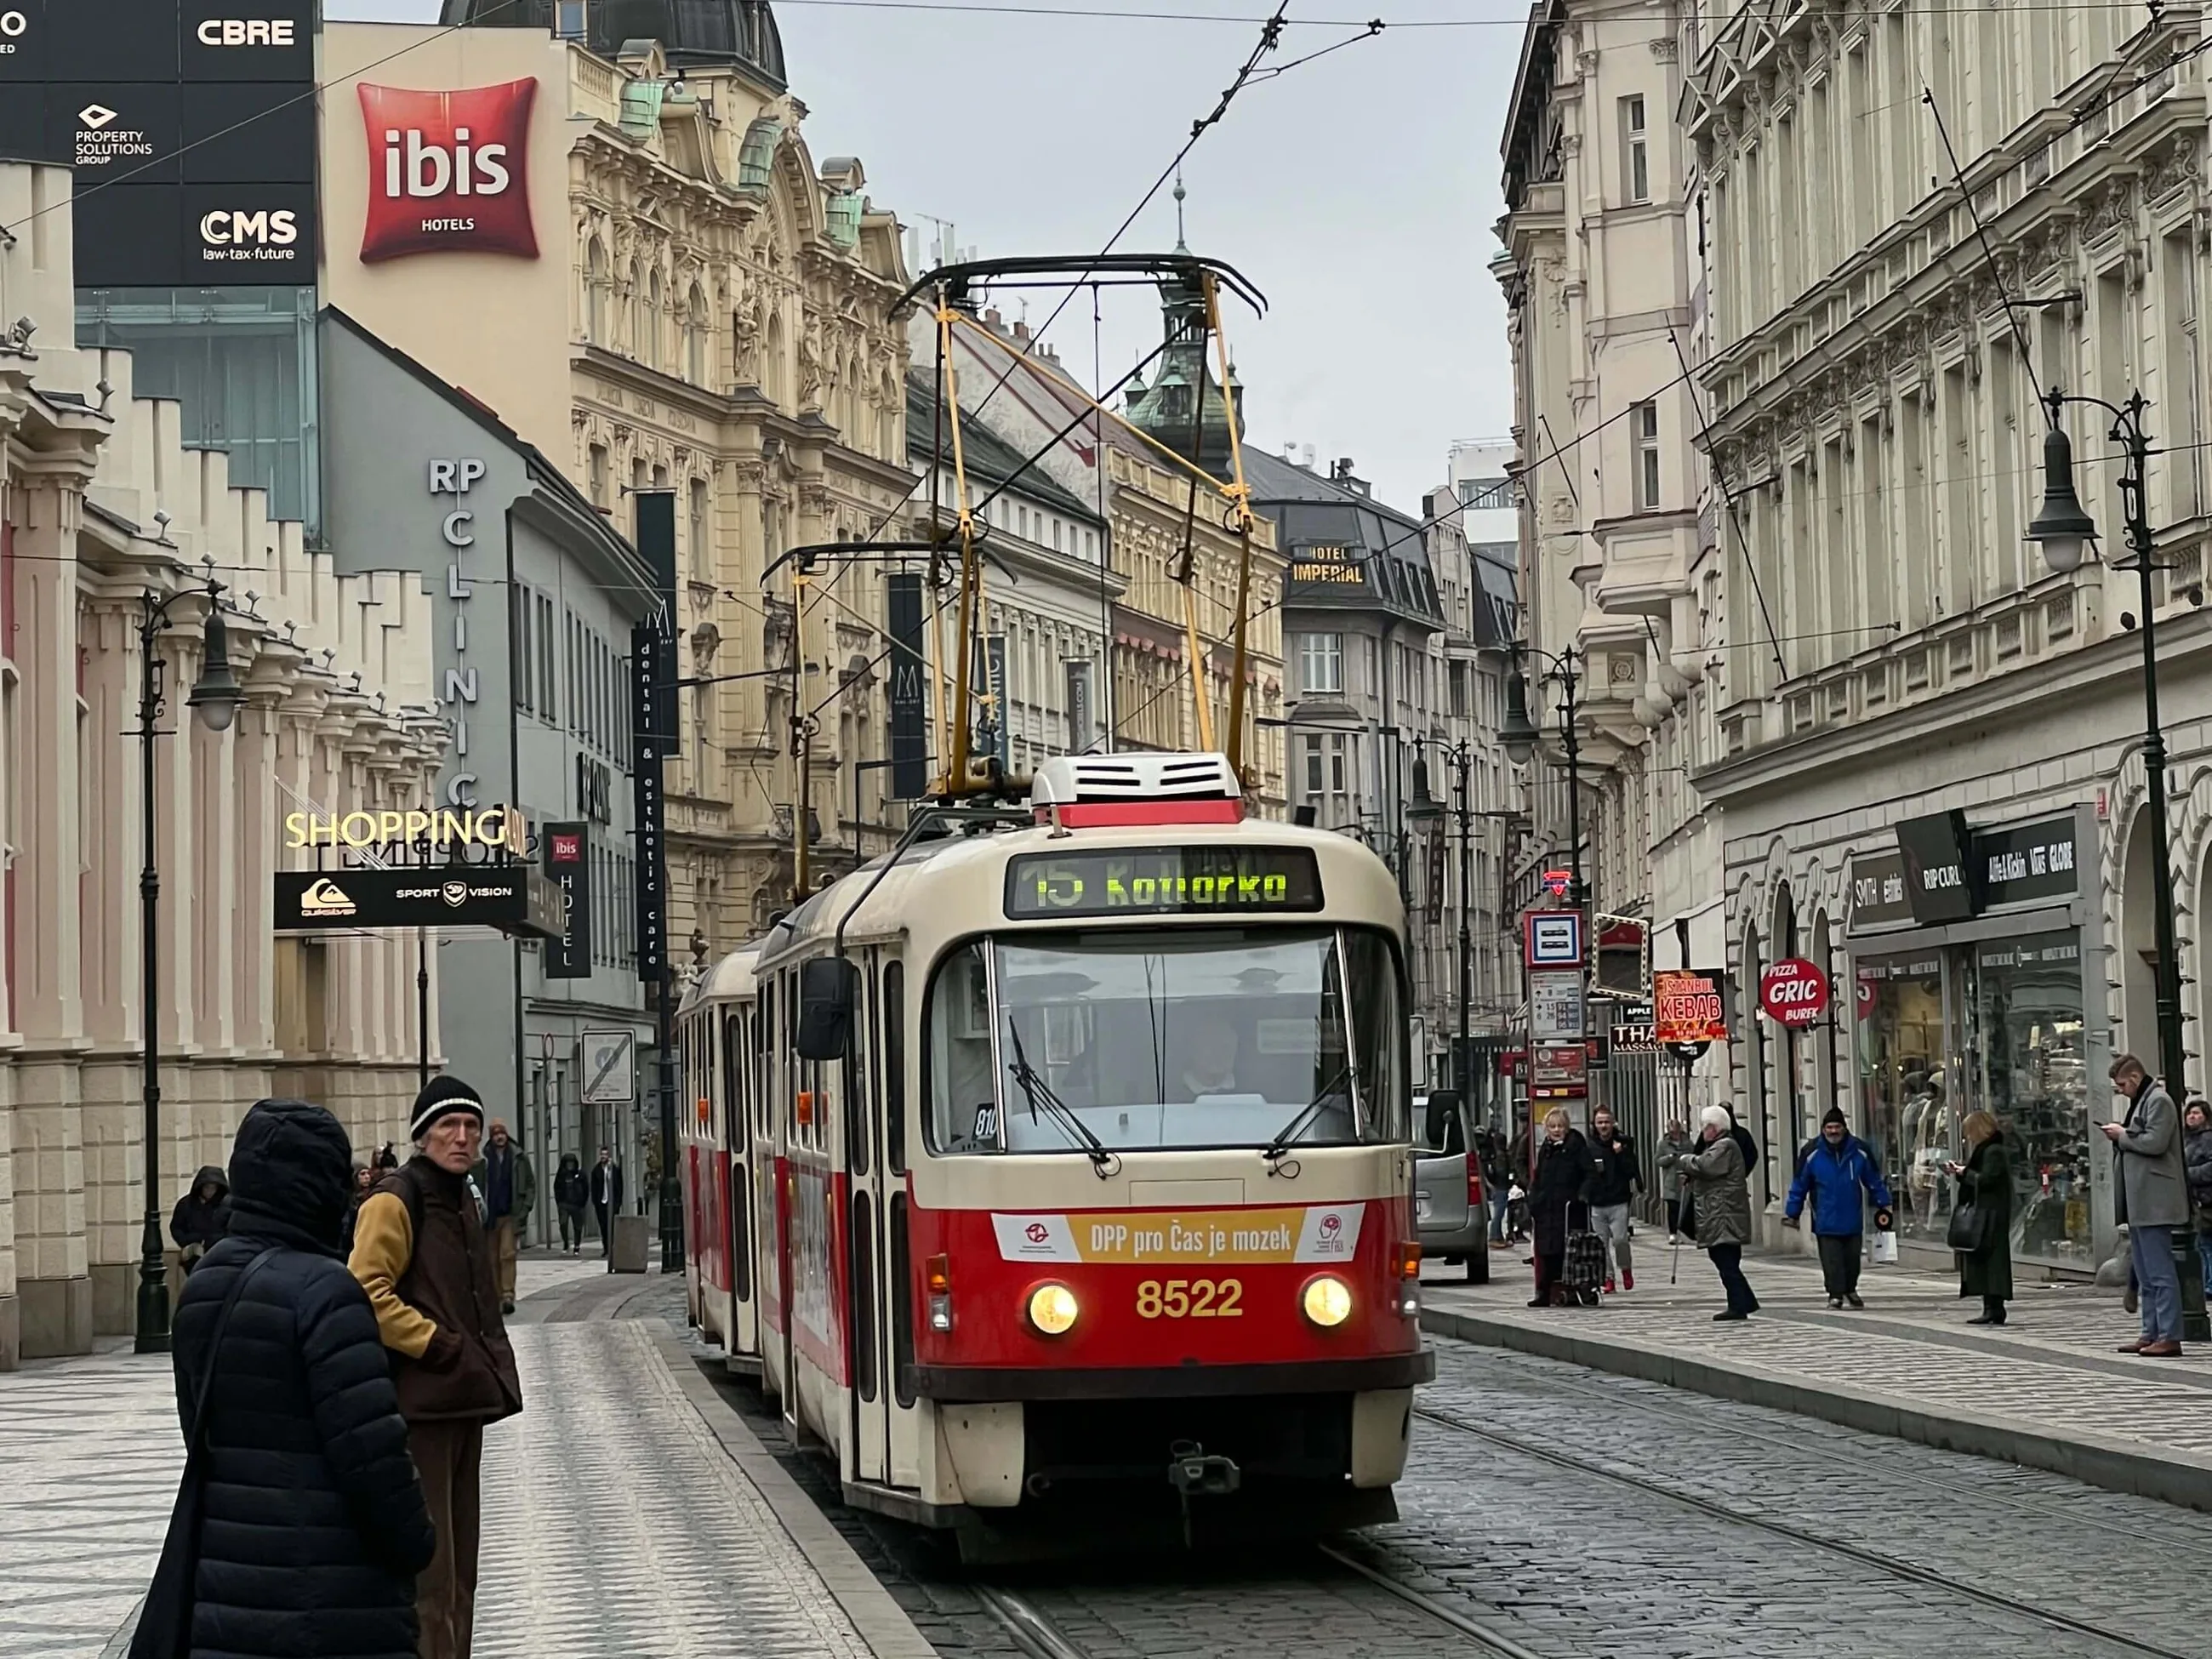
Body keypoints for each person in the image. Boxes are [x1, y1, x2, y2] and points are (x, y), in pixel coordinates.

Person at [145, 1099, 434, 1659]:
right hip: (331, 1595)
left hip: (225, 1583)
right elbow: (371, 1454)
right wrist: (417, 1542)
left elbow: (198, 1431)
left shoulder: (204, 1285)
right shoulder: (327, 1293)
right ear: (319, 1187)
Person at [350, 1075, 524, 1659]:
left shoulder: (462, 1196)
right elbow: (365, 1289)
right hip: (422, 1405)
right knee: (433, 1574)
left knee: (462, 1573)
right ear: (423, 1135)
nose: (463, 1136)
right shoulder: (395, 1200)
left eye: (471, 1125)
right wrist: (434, 1344)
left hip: (463, 1397)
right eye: (449, 1125)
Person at [2106, 1053, 2188, 1356]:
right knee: (2145, 1273)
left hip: (2155, 1201)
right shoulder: (2141, 1101)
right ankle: (2150, 1331)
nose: (2121, 1090)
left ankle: (2169, 1334)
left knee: (2160, 1271)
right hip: (2139, 1201)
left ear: (2136, 1078)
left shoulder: (2159, 1101)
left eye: (2122, 1085)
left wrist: (2122, 1135)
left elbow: (2155, 1142)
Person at [1784, 1105, 1896, 1308]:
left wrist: (1884, 1203)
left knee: (1852, 1260)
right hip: (1825, 1216)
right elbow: (1800, 1184)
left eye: (1837, 1127)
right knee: (1832, 1261)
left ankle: (1850, 1289)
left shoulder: (1859, 1150)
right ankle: (1835, 1294)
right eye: (1829, 1127)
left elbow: (1873, 1180)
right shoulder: (1811, 1152)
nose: (1833, 1131)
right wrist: (1793, 1212)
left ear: (1844, 1128)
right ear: (1823, 1129)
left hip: (1852, 1215)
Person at [1667, 1104, 1758, 1320]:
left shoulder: (1725, 1146)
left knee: (1725, 1260)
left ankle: (1739, 1305)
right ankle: (1743, 1301)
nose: (1702, 1131)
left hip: (1724, 1214)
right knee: (1724, 1260)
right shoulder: (1719, 1145)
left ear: (1715, 1128)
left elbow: (1705, 1165)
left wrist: (1685, 1160)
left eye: (1705, 1126)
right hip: (1720, 1212)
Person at [1944, 1109, 2014, 1326]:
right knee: (1984, 1259)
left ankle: (1994, 1307)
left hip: (1991, 1213)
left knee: (1991, 1260)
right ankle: (1990, 1307)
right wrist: (1962, 1173)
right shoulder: (1986, 1150)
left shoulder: (1993, 1151)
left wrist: (1965, 1173)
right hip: (1987, 1212)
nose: (1968, 1136)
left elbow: (1987, 1180)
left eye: (1969, 1131)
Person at [1526, 1107, 1591, 1308]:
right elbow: (1538, 1177)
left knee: (1567, 1251)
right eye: (1552, 1126)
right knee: (1547, 1252)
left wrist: (1581, 1196)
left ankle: (1568, 1291)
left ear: (1566, 1127)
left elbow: (1589, 1174)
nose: (1556, 1130)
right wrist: (1534, 1201)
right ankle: (1545, 1292)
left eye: (1560, 1126)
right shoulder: (1546, 1149)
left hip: (1568, 1208)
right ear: (1546, 1128)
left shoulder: (1576, 1147)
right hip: (1547, 1208)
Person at [471, 1120, 535, 1316]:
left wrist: (524, 1209)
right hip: (490, 1217)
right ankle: (497, 1297)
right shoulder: (483, 1159)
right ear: (491, 1137)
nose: (500, 1137)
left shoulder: (518, 1157)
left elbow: (530, 1184)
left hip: (510, 1214)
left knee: (507, 1255)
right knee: (491, 1258)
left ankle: (508, 1295)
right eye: (496, 1134)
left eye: (502, 1134)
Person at [1582, 1105, 1641, 1291]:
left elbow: (1631, 1170)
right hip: (1597, 1202)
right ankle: (1608, 1278)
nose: (1603, 1126)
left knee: (1620, 1240)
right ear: (1594, 1124)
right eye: (1600, 1122)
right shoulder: (1589, 1146)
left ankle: (1625, 1268)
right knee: (1601, 1244)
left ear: (1613, 1123)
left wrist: (1620, 1154)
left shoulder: (1622, 1143)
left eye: (1607, 1122)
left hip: (1618, 1200)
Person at [168, 1166, 231, 1276]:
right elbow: (176, 1227)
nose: (210, 1191)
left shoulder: (226, 1205)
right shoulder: (186, 1204)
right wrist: (188, 1240)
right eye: (207, 1187)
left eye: (213, 1188)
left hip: (219, 1255)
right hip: (193, 1256)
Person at [2185, 1100, 2212, 1301]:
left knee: (2205, 1244)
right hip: (2195, 1199)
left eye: (2196, 1113)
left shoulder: (2207, 1138)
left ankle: (2209, 1285)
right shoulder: (2187, 1139)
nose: (2192, 1117)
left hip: (2207, 1199)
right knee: (2201, 1245)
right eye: (2189, 1113)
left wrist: (2187, 1174)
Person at [1660, 1119, 1696, 1244]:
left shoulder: (1688, 1143)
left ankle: (1684, 1232)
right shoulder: (1663, 1144)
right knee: (1673, 1207)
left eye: (1675, 1132)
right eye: (1671, 1132)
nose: (1674, 1134)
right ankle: (1673, 1233)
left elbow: (1694, 1156)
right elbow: (1658, 1160)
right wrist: (1669, 1158)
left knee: (1684, 1207)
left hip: (1685, 1179)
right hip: (1670, 1180)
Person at [1180, 1023, 1240, 1096]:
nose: (1218, 1053)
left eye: (1225, 1047)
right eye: (1210, 1044)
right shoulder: (1171, 1094)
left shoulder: (1248, 1090)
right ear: (1193, 1049)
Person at [553, 1152, 590, 1257]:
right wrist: (559, 1202)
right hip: (564, 1204)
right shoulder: (561, 1175)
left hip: (577, 1205)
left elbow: (586, 1188)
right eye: (568, 1163)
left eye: (572, 1163)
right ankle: (566, 1242)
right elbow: (556, 1187)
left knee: (578, 1226)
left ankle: (577, 1245)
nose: (570, 1165)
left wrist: (582, 1202)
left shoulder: (580, 1174)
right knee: (563, 1223)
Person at [590, 1146, 624, 1258]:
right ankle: (606, 1248)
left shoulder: (614, 1169)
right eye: (602, 1154)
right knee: (603, 1227)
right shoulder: (596, 1170)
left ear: (608, 1156)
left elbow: (619, 1186)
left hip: (612, 1202)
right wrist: (596, 1202)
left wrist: (618, 1202)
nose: (603, 1157)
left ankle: (612, 1247)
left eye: (605, 1154)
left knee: (612, 1226)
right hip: (601, 1203)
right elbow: (594, 1188)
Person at [339, 1162, 376, 1254]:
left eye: (368, 1173)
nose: (367, 1177)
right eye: (363, 1174)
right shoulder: (349, 1197)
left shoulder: (374, 1193)